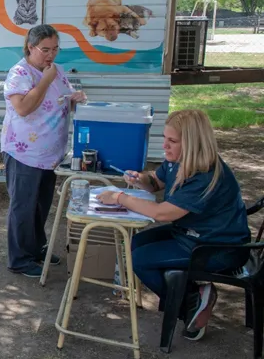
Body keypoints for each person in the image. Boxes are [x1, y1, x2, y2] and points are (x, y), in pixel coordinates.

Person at [97, 109, 251, 341]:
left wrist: (120, 197)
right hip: (192, 234)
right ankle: (190, 295)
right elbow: (157, 181)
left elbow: (162, 213)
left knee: (140, 260)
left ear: (192, 144)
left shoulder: (204, 175)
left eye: (172, 141)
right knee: (135, 244)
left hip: (219, 247)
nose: (165, 146)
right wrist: (140, 179)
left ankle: (192, 301)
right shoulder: (177, 160)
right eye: (164, 139)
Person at [1, 24, 87, 278]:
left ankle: (36, 248)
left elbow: (61, 99)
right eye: (45, 49)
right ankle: (19, 258)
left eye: (55, 49)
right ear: (30, 47)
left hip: (50, 154)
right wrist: (46, 81)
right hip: (24, 152)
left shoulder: (56, 71)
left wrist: (74, 99)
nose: (51, 55)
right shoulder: (19, 73)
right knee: (23, 206)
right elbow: (24, 108)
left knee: (41, 205)